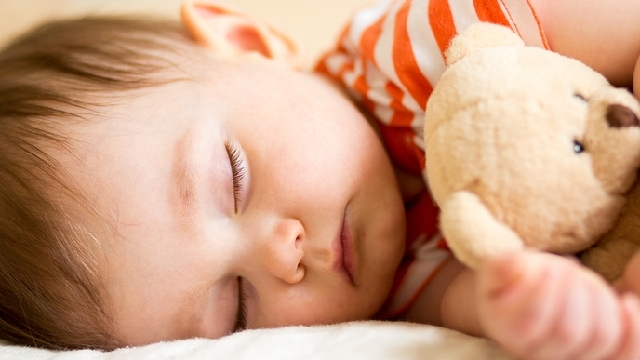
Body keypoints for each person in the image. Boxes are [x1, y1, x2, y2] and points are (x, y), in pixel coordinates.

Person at [0, 0, 639, 358]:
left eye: (233, 178)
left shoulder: (419, 51)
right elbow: (475, 299)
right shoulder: (398, 294)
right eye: (237, 308)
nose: (284, 255)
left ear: (248, 42)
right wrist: (541, 309)